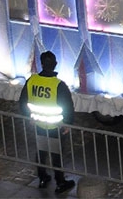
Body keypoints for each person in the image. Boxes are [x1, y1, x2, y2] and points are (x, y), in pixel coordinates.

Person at [18, 51, 76, 195]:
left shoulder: (32, 80)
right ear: (55, 64)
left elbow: (23, 102)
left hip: (38, 124)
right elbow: (68, 106)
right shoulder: (59, 85)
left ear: (41, 64)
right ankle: (60, 182)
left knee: (41, 151)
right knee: (56, 154)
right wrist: (68, 123)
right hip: (55, 126)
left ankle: (43, 178)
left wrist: (29, 117)